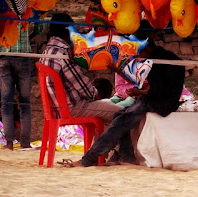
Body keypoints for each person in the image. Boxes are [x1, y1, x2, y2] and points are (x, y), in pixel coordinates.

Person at [63, 38, 185, 168]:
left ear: (147, 49)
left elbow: (158, 91)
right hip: (159, 99)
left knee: (119, 122)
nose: (138, 56)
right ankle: (127, 157)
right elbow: (153, 85)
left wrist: (140, 93)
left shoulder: (156, 61)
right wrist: (119, 72)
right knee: (118, 116)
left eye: (140, 53)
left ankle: (88, 159)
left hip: (159, 103)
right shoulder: (162, 57)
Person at [39, 13, 122, 123]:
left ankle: (100, 140)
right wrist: (96, 95)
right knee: (123, 114)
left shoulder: (47, 51)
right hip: (73, 108)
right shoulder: (63, 53)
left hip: (56, 109)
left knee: (107, 113)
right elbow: (84, 87)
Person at [0, 22, 33, 150]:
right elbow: (40, 27)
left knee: (6, 103)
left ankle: (9, 143)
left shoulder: (1, 7)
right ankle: (25, 142)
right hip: (23, 55)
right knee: (25, 103)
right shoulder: (26, 8)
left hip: (4, 55)